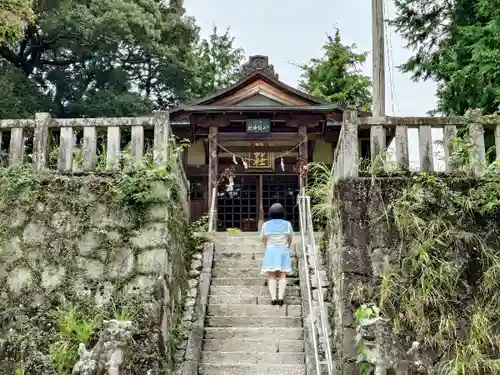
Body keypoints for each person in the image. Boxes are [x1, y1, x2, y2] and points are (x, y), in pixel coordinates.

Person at [260, 203, 293, 306]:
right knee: (282, 274)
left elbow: (263, 238)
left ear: (270, 213)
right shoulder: (287, 224)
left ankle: (273, 297)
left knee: (271, 275)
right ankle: (281, 297)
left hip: (271, 250)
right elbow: (290, 238)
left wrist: (267, 247)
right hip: (283, 250)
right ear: (283, 213)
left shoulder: (266, 225)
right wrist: (287, 246)